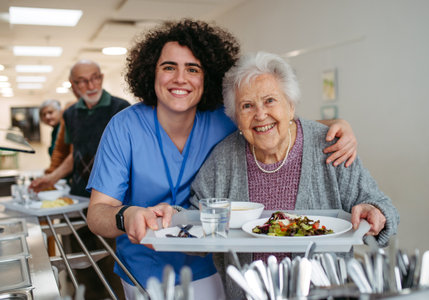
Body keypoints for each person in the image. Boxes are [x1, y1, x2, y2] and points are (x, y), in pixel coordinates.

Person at [86, 19, 358, 300]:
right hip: (145, 271)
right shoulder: (123, 127)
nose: (180, 78)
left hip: (211, 268)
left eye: (193, 69)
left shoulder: (223, 119)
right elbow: (97, 214)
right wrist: (126, 215)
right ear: (150, 73)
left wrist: (336, 125)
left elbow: (273, 125)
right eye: (169, 67)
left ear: (207, 77)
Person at [188, 51, 400, 299]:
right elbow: (195, 221)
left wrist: (375, 212)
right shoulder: (223, 159)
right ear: (236, 117)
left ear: (290, 105)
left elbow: (385, 209)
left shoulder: (330, 146)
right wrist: (171, 220)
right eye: (247, 106)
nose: (260, 114)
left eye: (269, 101)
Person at [31, 59, 130, 300]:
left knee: (112, 266)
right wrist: (51, 177)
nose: (91, 84)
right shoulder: (71, 113)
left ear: (102, 78)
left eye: (95, 77)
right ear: (73, 85)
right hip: (77, 200)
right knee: (80, 266)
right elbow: (74, 154)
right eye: (83, 80)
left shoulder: (120, 108)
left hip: (110, 201)